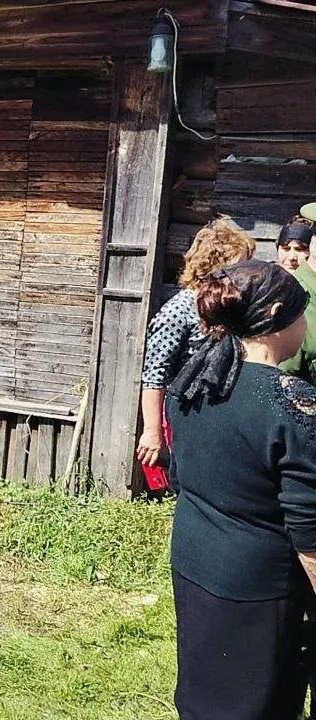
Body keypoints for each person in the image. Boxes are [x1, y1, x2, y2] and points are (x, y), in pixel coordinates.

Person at [164, 259, 316, 719]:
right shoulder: (290, 402)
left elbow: (181, 476)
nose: (306, 325)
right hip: (259, 586)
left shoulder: (194, 382)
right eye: (302, 313)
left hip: (194, 560)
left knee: (204, 696)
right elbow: (309, 531)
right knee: (256, 705)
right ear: (276, 316)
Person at [135, 219, 255, 472]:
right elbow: (154, 375)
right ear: (216, 266)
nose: (244, 273)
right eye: (239, 265)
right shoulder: (178, 311)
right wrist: (152, 432)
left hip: (217, 412)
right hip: (186, 413)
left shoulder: (228, 308)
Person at [280, 212, 316, 382]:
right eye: (285, 248)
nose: (292, 257)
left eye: (300, 249)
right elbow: (283, 376)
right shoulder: (291, 295)